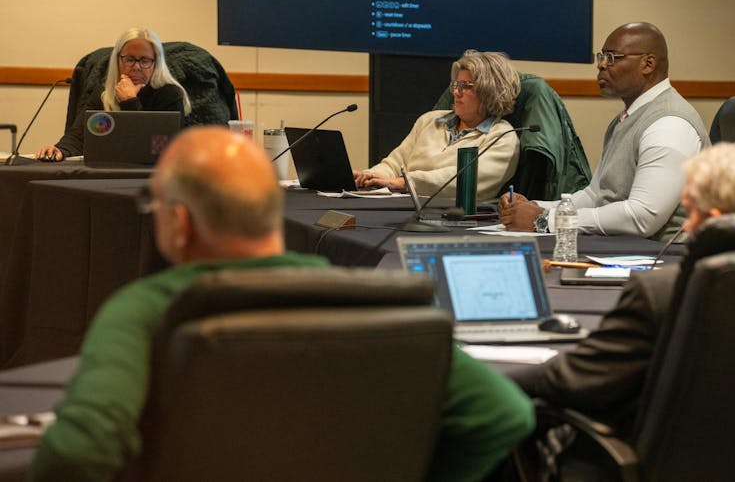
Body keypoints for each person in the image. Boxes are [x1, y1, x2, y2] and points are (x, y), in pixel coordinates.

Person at [28, 127, 534, 482]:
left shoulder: (145, 309)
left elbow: (77, 453)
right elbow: (502, 415)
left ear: (179, 223)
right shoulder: (370, 303)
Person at [510, 142, 735, 434]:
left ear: (716, 221)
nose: (687, 226)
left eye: (691, 212)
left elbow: (574, 381)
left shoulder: (662, 292)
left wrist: (498, 378)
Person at [499, 22, 709, 240]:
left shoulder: (669, 124)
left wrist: (546, 220)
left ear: (648, 64)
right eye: (601, 57)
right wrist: (534, 207)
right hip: (628, 250)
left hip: (666, 258)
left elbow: (642, 217)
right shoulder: (627, 118)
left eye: (611, 58)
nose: (600, 65)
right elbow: (596, 195)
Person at [355, 49, 521, 199]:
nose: (456, 92)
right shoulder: (430, 120)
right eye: (456, 85)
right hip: (401, 205)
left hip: (454, 219)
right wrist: (369, 177)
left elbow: (467, 180)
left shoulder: (502, 137)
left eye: (466, 86)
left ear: (490, 92)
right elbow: (394, 163)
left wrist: (404, 183)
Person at [36, 26, 191, 161]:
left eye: (145, 61)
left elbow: (155, 148)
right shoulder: (103, 94)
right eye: (130, 59)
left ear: (156, 64)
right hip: (109, 172)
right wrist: (60, 149)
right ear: (118, 61)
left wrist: (129, 101)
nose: (137, 67)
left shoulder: (170, 95)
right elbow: (79, 136)